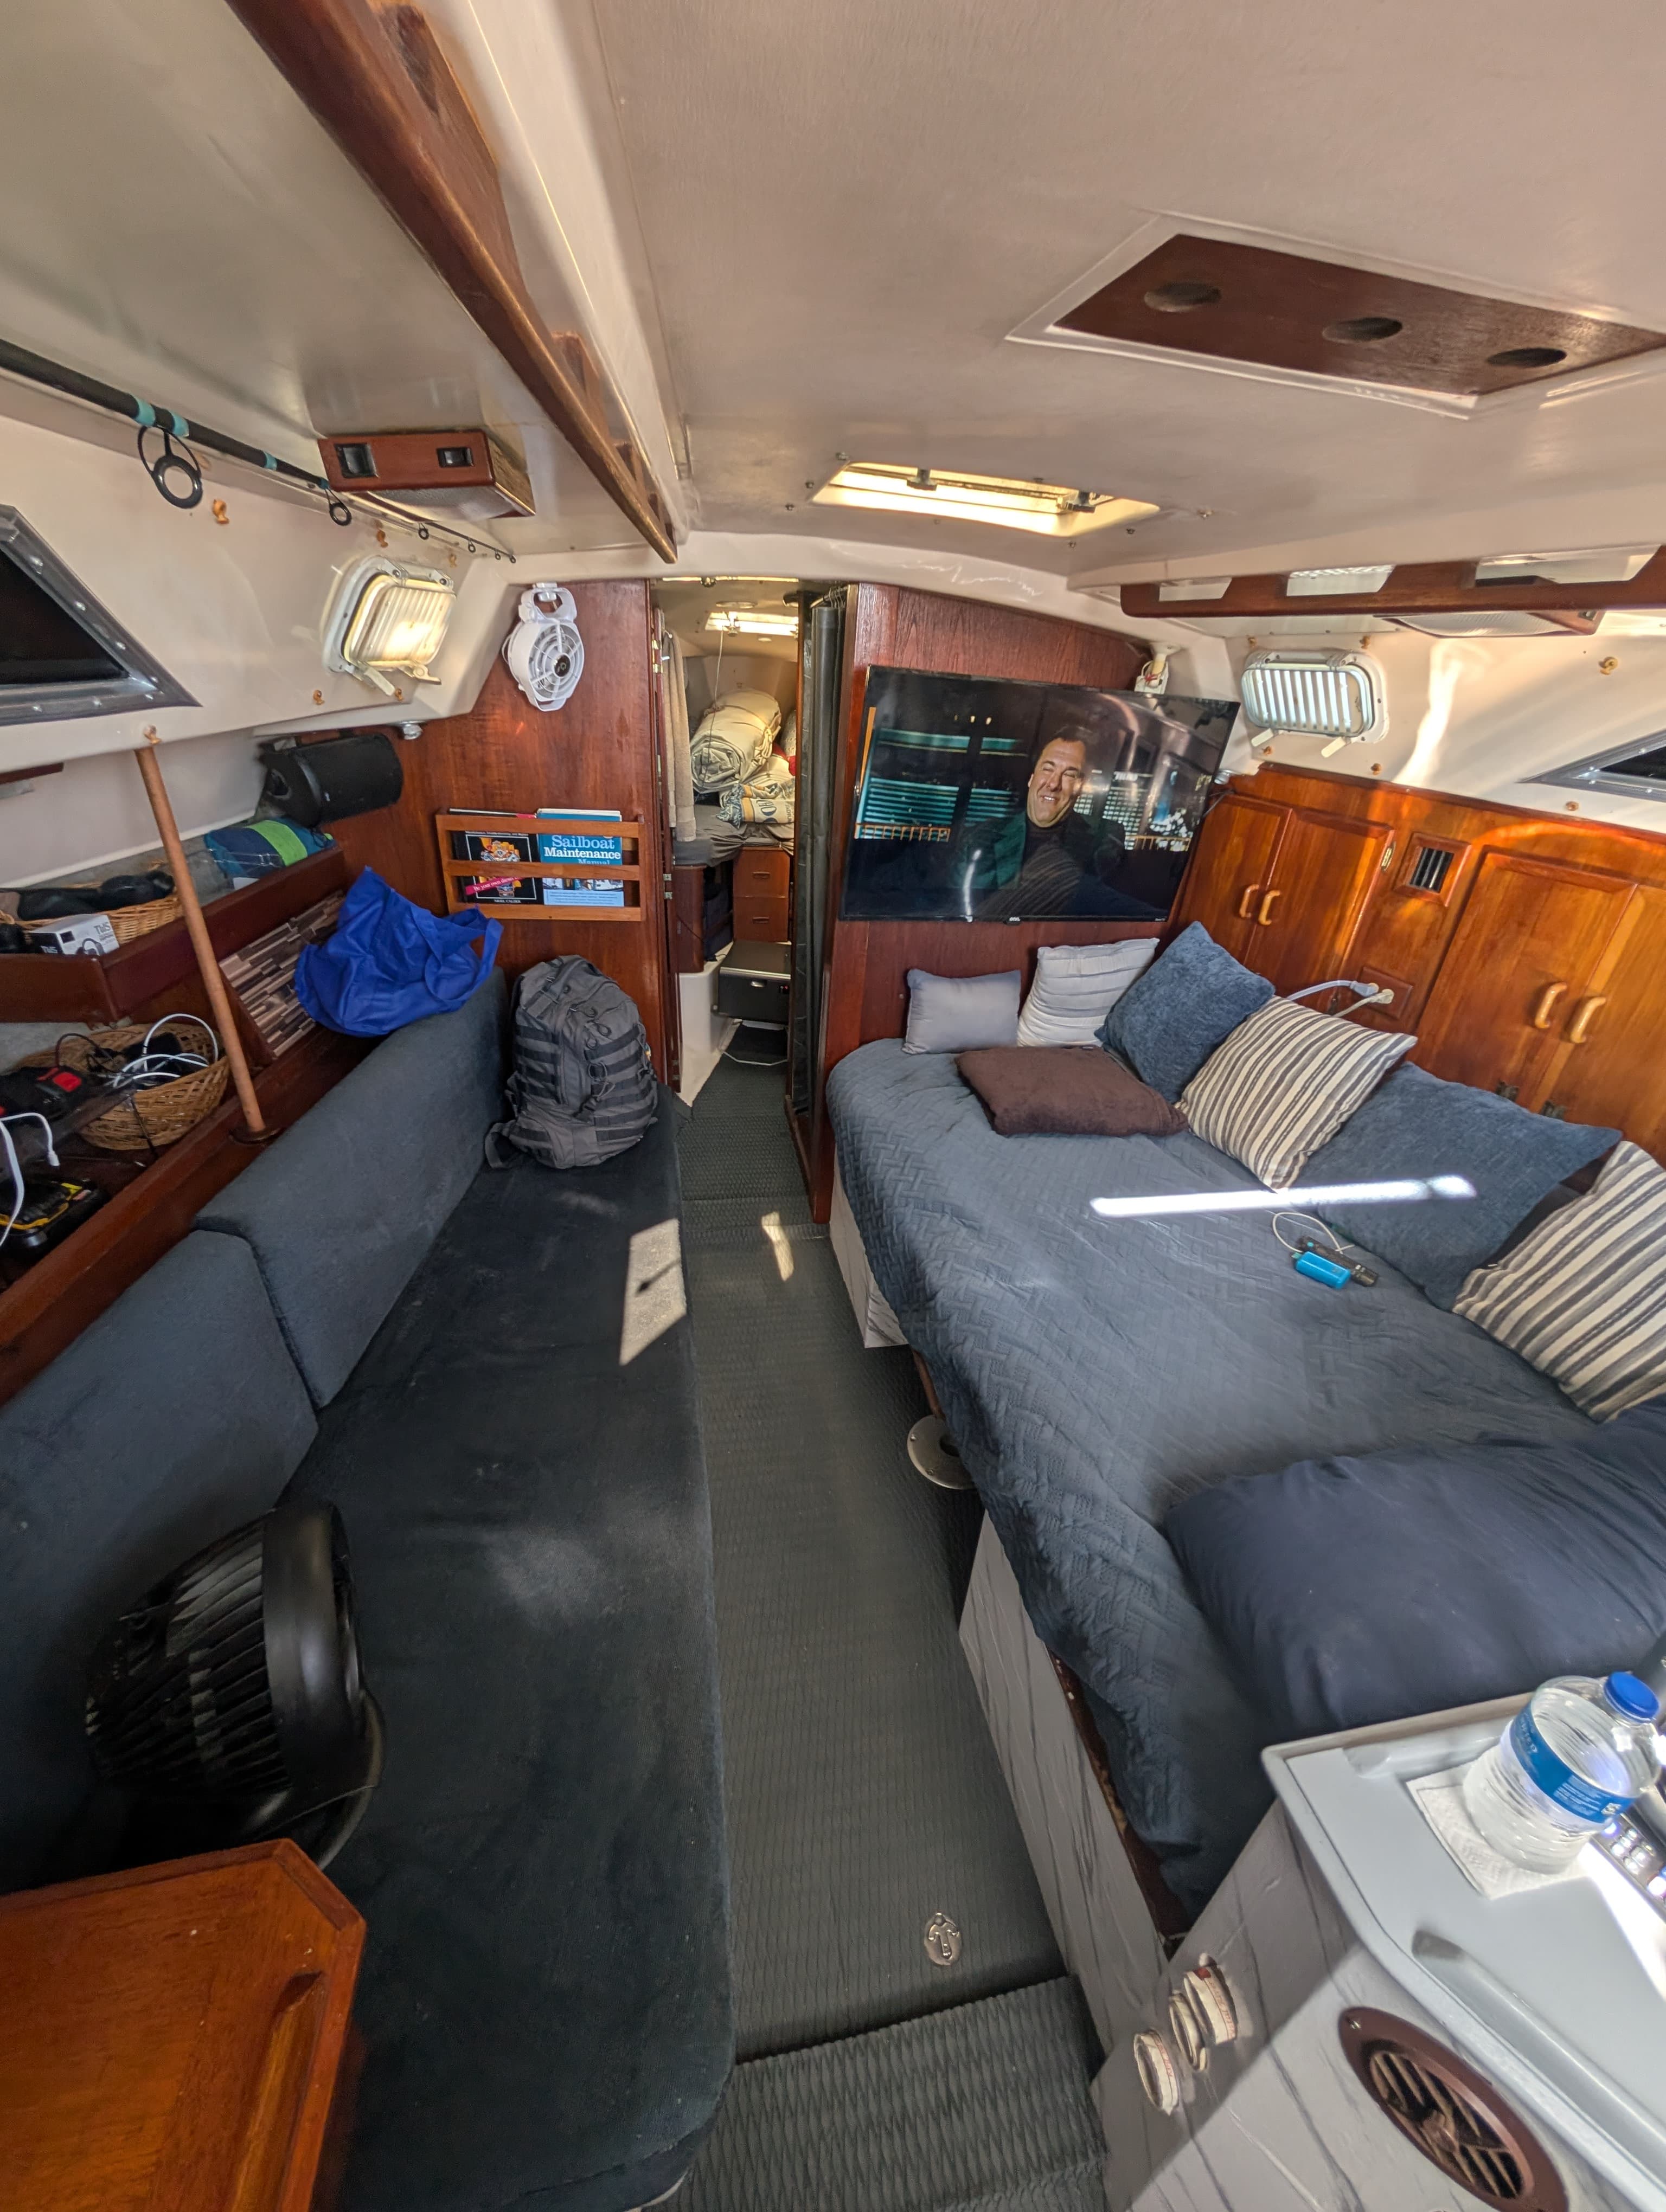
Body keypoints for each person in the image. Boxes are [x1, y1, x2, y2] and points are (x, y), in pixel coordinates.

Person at [958, 730, 1148, 918]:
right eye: (1048, 769)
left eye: (1069, 775)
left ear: (1081, 786)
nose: (1054, 784)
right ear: (1032, 778)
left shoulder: (1105, 837)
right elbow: (955, 909)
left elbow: (1115, 910)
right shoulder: (978, 837)